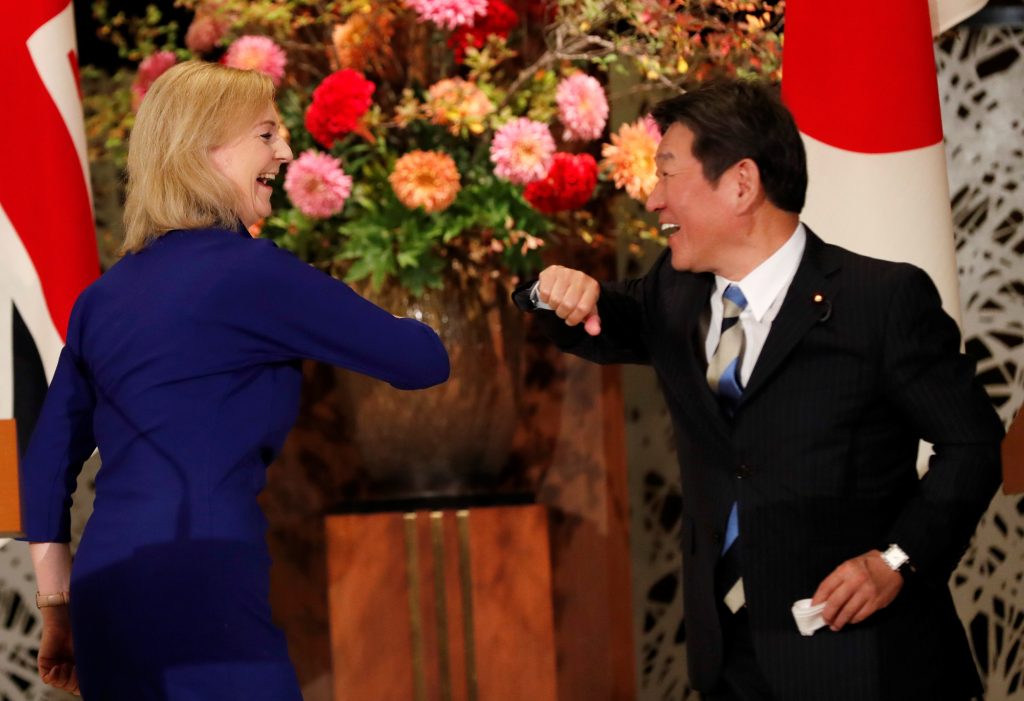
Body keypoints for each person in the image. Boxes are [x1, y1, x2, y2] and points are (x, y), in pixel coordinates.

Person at [514, 79, 1003, 700]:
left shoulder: (880, 300)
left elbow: (973, 446)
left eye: (667, 173)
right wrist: (546, 289)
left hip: (867, 663)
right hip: (730, 662)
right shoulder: (674, 291)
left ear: (741, 184)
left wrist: (897, 562)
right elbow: (595, 313)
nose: (653, 198)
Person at [20, 61, 449, 700]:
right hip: (201, 580)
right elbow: (422, 362)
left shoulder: (101, 299)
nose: (287, 150)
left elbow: (46, 460)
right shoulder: (255, 275)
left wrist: (57, 606)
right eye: (267, 134)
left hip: (106, 586)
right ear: (203, 150)